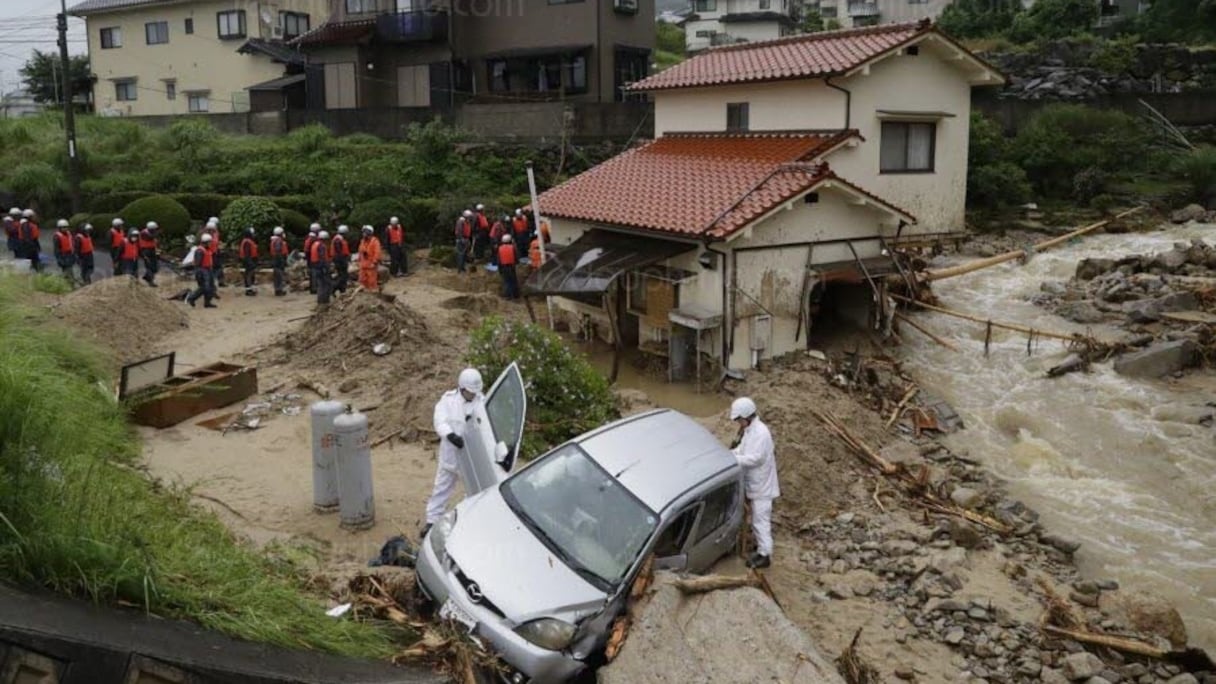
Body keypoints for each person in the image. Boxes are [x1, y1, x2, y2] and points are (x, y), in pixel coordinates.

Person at [423, 368, 484, 536]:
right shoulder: (448, 400)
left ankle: (462, 523)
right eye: (471, 392)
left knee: (473, 491)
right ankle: (431, 521)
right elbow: (439, 420)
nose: (473, 395)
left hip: (470, 457)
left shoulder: (482, 402)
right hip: (450, 454)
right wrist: (450, 435)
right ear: (462, 388)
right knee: (441, 488)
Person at [729, 397, 779, 569]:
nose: (738, 423)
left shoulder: (761, 433)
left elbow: (756, 459)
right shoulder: (750, 431)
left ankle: (765, 555)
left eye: (739, 420)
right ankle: (761, 548)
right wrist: (730, 453)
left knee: (760, 521)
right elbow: (742, 450)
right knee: (758, 520)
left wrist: (735, 458)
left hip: (762, 486)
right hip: (755, 483)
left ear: (747, 416)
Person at [186, 233, 218, 308]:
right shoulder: (200, 251)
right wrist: (200, 274)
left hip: (208, 269)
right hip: (202, 270)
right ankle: (192, 298)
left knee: (210, 287)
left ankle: (207, 302)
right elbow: (197, 264)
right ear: (206, 242)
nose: (210, 243)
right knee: (204, 287)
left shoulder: (207, 249)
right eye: (209, 242)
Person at [358, 225, 382, 292]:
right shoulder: (362, 241)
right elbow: (360, 251)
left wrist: (374, 262)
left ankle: (373, 295)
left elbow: (377, 253)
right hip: (363, 265)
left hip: (371, 265)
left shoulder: (375, 241)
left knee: (372, 282)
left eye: (364, 232)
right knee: (362, 280)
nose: (363, 234)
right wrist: (359, 260)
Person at [311, 229, 332, 305]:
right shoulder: (321, 246)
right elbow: (322, 257)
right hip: (321, 267)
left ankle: (320, 300)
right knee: (326, 284)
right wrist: (326, 267)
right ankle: (325, 300)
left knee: (320, 284)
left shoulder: (314, 244)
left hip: (315, 266)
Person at [237, 227, 259, 295]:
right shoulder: (247, 242)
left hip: (250, 260)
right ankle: (248, 290)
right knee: (249, 274)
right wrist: (250, 262)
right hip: (248, 260)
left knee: (251, 274)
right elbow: (247, 253)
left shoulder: (248, 241)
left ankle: (251, 288)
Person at [497, 234, 519, 299]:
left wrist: (499, 269)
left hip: (503, 267)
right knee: (513, 280)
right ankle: (515, 294)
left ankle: (508, 295)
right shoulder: (513, 247)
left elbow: (499, 260)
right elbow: (516, 257)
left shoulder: (500, 248)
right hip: (511, 266)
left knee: (507, 281)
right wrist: (516, 263)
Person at [138, 221, 159, 287]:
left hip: (152, 250)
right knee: (149, 266)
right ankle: (150, 281)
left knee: (155, 267)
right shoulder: (144, 233)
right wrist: (157, 233)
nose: (155, 230)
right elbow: (150, 237)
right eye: (154, 229)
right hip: (145, 251)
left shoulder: (151, 232)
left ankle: (147, 277)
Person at [269, 227, 289, 296]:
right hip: (278, 260)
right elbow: (278, 251)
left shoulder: (274, 240)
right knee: (279, 275)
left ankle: (277, 289)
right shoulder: (278, 241)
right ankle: (279, 289)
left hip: (275, 259)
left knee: (277, 275)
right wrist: (281, 260)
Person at [332, 225, 352, 294]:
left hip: (340, 259)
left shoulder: (340, 239)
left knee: (344, 276)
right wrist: (344, 261)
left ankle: (342, 290)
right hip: (340, 260)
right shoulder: (338, 240)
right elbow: (339, 252)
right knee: (342, 276)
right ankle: (334, 288)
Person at [207, 217, 226, 287]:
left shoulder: (216, 233)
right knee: (215, 268)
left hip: (215, 252)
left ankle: (220, 281)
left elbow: (216, 242)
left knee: (218, 267)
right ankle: (212, 281)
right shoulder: (208, 235)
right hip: (211, 253)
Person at [304, 223, 321, 295]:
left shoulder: (309, 238)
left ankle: (313, 288)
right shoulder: (312, 239)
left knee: (312, 274)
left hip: (311, 259)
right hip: (313, 259)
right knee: (314, 274)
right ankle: (314, 288)